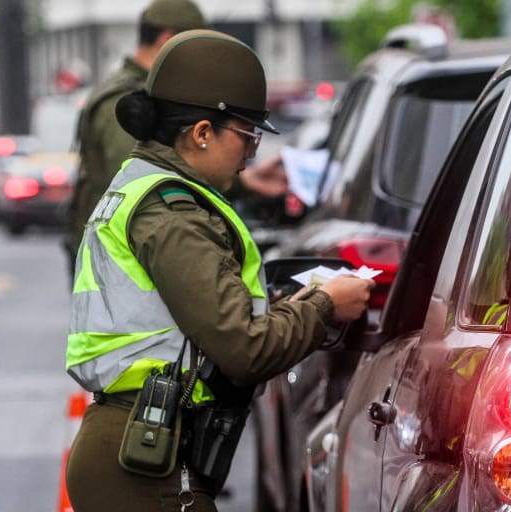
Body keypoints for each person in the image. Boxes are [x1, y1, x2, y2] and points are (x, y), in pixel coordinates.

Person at [64, 29, 374, 512]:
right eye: (247, 137)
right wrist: (325, 305)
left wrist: (289, 308)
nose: (251, 156)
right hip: (145, 459)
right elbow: (244, 350)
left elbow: (201, 323)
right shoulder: (172, 214)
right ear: (202, 133)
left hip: (140, 444)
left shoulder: (147, 189)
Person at [63, 0, 209, 278]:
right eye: (197, 45)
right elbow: (140, 189)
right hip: (123, 271)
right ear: (167, 39)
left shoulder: (152, 94)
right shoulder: (128, 102)